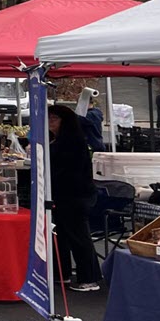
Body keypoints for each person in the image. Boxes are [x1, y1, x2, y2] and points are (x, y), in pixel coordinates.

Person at [49, 105, 102, 292]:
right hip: (65, 195)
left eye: (54, 119)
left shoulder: (72, 143)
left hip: (75, 195)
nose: (49, 123)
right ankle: (61, 274)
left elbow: (66, 171)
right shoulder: (59, 141)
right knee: (61, 235)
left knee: (79, 237)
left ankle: (89, 278)